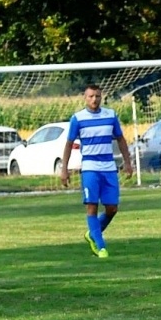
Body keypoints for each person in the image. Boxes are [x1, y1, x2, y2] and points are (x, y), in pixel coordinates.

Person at [57, 83, 133, 259]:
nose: (94, 99)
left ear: (101, 97)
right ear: (85, 98)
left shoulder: (111, 115)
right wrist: (64, 169)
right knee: (92, 206)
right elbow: (69, 144)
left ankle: (92, 233)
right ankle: (101, 247)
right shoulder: (78, 118)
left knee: (112, 208)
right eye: (91, 96)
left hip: (109, 167)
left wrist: (127, 162)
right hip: (90, 168)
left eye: (97, 96)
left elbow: (120, 139)